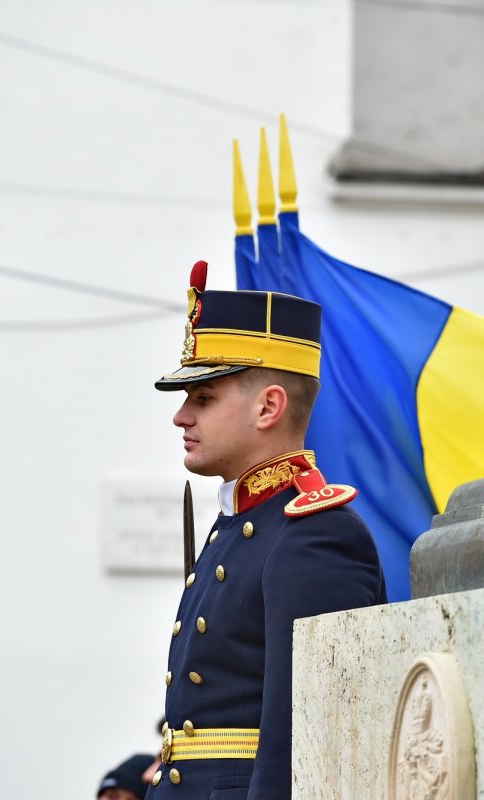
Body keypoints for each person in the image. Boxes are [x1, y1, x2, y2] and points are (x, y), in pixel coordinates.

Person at [147, 261, 387, 798]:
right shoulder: (239, 524)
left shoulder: (316, 535)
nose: (181, 417)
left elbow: (306, 744)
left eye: (203, 398)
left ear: (268, 407)